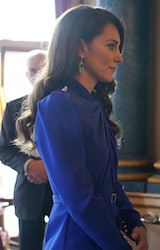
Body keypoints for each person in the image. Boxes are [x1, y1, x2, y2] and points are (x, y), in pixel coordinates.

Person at [14, 5, 148, 250]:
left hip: (100, 235)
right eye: (111, 45)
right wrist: (120, 246)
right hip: (75, 238)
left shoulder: (92, 104)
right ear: (80, 48)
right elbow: (79, 198)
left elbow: (109, 183)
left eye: (119, 47)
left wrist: (132, 219)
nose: (119, 56)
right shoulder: (59, 106)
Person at [0, 49, 52, 250]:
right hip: (29, 195)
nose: (37, 75)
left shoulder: (68, 105)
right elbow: (3, 149)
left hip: (64, 193)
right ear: (27, 74)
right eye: (32, 70)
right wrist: (29, 165)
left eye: (42, 68)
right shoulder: (13, 108)